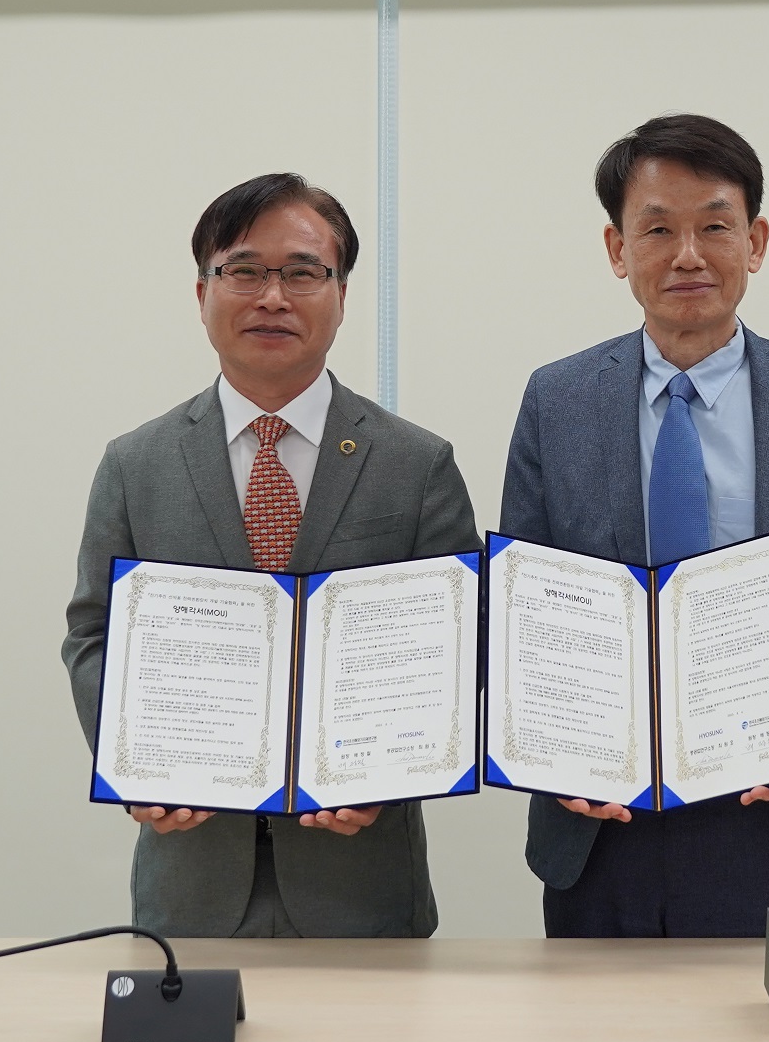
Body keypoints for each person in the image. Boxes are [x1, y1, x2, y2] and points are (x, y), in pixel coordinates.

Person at [503, 114, 769, 937]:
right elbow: (522, 601)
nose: (688, 255)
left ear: (755, 242)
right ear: (617, 249)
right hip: (601, 816)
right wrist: (550, 736)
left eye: (715, 227)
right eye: (657, 230)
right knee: (596, 1022)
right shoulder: (556, 402)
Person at [60, 173, 477, 937]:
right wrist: (136, 764)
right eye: (245, 271)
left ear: (342, 295)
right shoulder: (136, 465)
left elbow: (459, 646)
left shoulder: (415, 465)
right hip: (190, 884)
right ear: (202, 293)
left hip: (361, 887)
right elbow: (93, 634)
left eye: (303, 273)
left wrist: (391, 774)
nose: (273, 297)